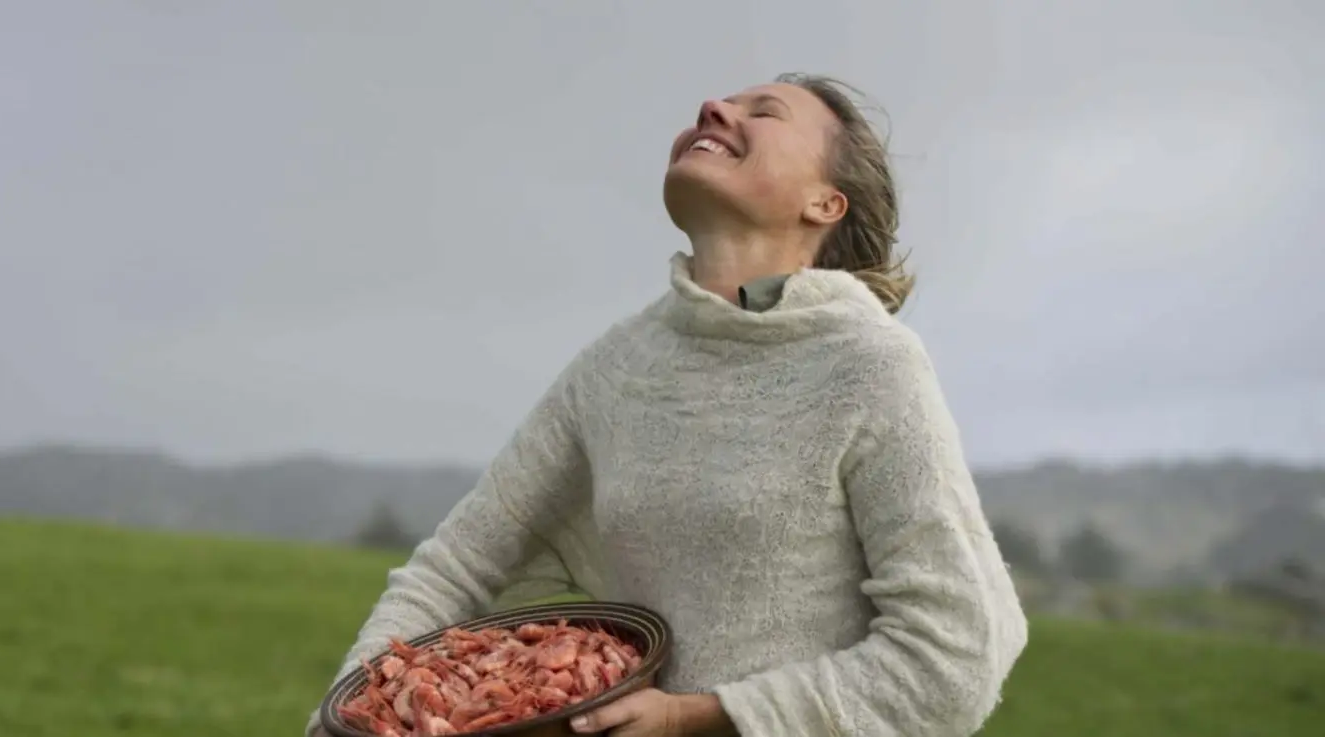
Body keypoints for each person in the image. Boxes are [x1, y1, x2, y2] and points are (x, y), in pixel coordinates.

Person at [307, 73, 1027, 737]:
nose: (713, 110)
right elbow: (458, 567)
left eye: (763, 113)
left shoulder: (869, 365)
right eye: (719, 105)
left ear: (824, 203)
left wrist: (702, 716)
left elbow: (952, 658)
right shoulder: (616, 370)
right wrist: (344, 720)